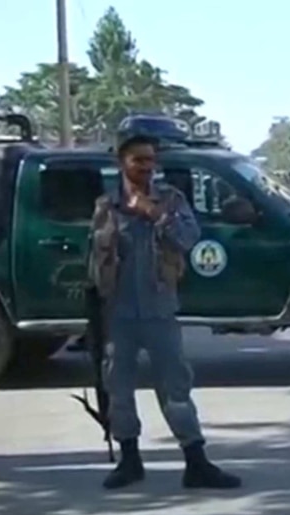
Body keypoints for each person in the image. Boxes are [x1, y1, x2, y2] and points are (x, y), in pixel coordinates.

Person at [87, 130, 242, 490]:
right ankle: (129, 461)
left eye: (151, 160)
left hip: (159, 309)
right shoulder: (106, 206)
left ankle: (196, 462)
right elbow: (95, 259)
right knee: (119, 390)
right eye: (138, 159)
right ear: (121, 162)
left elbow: (189, 239)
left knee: (175, 389)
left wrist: (153, 213)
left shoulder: (171, 201)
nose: (146, 167)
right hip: (119, 313)